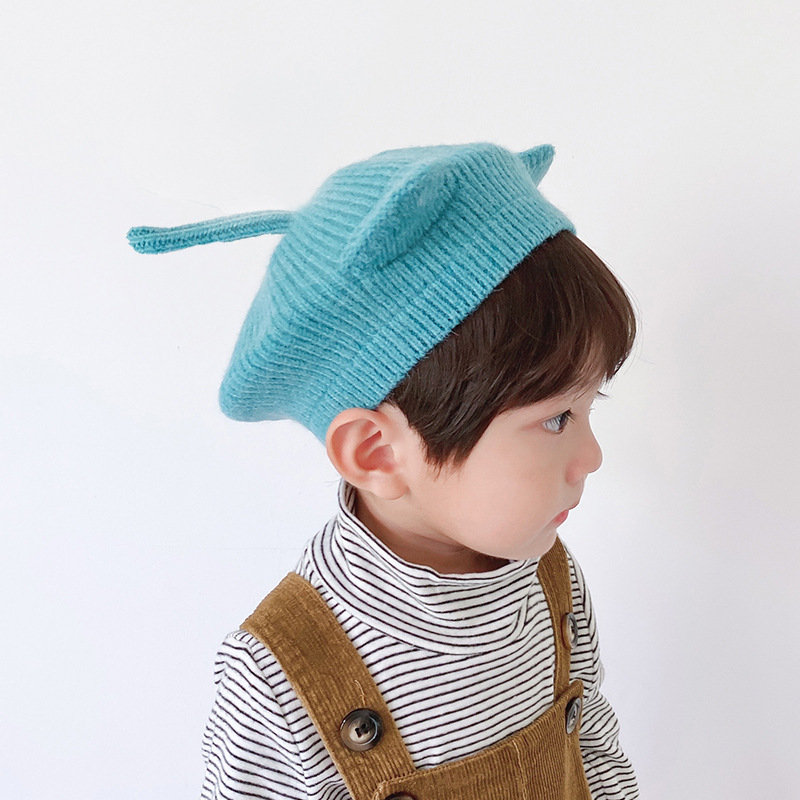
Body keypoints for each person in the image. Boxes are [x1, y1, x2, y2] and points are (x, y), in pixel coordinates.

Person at [128, 141, 640, 799]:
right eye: (555, 419)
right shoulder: (282, 679)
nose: (592, 457)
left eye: (590, 404)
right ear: (376, 452)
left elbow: (592, 744)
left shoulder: (549, 580)